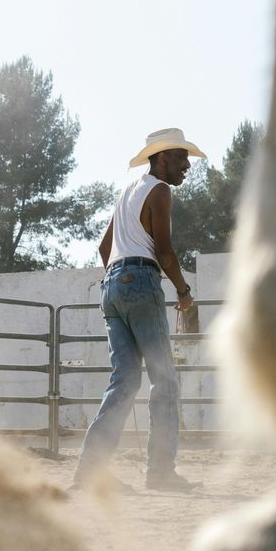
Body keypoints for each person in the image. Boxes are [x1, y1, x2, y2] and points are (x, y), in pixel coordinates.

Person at [72, 127, 204, 494]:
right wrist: (183, 291)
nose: (187, 166)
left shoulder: (127, 192)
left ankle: (89, 471)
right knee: (164, 379)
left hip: (113, 285)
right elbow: (164, 250)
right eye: (180, 158)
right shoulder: (159, 191)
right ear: (161, 158)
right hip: (141, 281)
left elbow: (104, 248)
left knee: (124, 381)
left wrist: (119, 279)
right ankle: (160, 472)